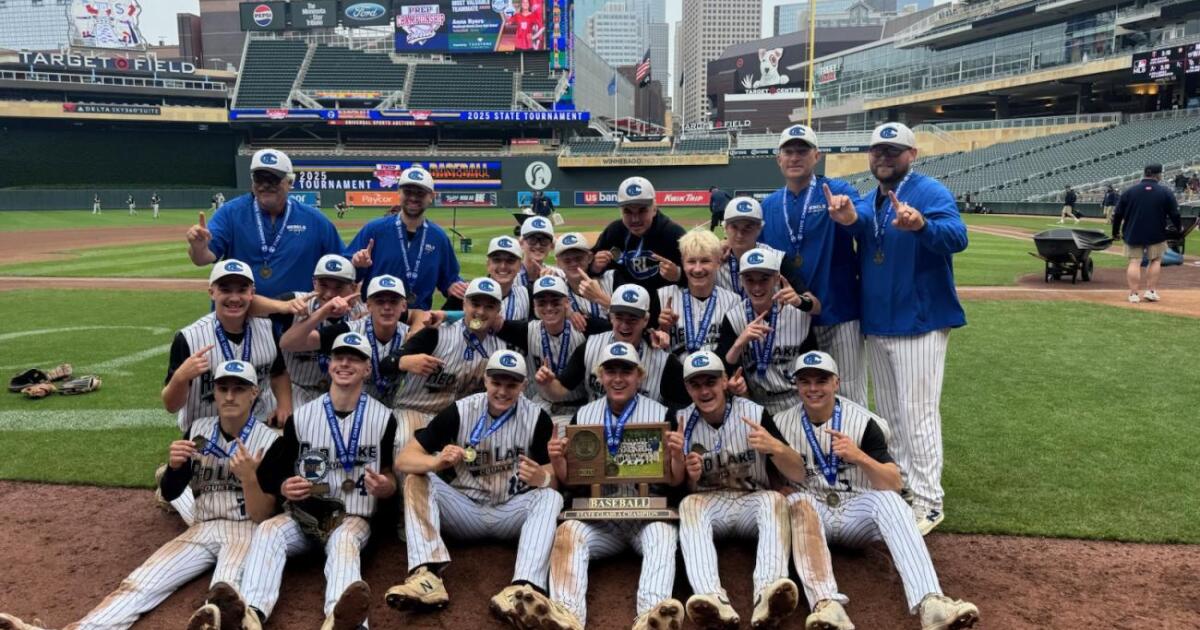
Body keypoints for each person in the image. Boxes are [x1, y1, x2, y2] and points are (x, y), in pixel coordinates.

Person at [0, 360, 280, 630]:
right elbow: (171, 490)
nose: (230, 396)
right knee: (140, 583)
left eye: (239, 388)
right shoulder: (198, 429)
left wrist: (248, 478)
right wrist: (173, 468)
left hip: (244, 530)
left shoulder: (270, 442)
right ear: (214, 392)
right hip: (202, 526)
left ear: (254, 392)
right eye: (223, 388)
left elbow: (265, 515)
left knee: (225, 595)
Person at [824, 121, 967, 535]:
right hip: (880, 323)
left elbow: (957, 237)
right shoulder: (875, 199)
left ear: (912, 155)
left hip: (920, 323)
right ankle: (902, 485)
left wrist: (922, 225)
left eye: (893, 151)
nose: (884, 158)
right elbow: (859, 220)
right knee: (889, 414)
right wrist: (848, 217)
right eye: (878, 152)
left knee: (917, 414)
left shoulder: (929, 192)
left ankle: (928, 500)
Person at [779, 351, 980, 630]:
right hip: (814, 517)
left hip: (857, 512)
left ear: (836, 383)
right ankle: (826, 606)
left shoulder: (863, 422)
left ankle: (931, 603)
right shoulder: (780, 424)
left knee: (891, 502)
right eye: (805, 381)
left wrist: (859, 456)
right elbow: (769, 476)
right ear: (796, 385)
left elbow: (894, 483)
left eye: (821, 380)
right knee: (797, 500)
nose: (813, 388)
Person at [385, 349, 562, 628]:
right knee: (417, 478)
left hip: (510, 510)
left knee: (550, 496)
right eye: (496, 382)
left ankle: (523, 587)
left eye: (511, 384)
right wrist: (436, 461)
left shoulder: (537, 418)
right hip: (465, 510)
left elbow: (553, 475)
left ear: (524, 386)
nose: (502, 391)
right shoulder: (460, 411)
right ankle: (426, 576)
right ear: (485, 380)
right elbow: (405, 459)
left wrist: (542, 476)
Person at [234, 332, 399, 630]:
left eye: (355, 358)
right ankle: (251, 613)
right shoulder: (302, 417)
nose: (345, 363)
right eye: (339, 357)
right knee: (269, 530)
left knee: (344, 540)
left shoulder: (385, 418)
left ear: (367, 369)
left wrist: (387, 487)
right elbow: (274, 471)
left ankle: (342, 619)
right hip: (304, 517)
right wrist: (285, 485)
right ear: (329, 365)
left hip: (353, 516)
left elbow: (389, 472)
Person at [517, 341, 686, 630]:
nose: (618, 378)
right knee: (568, 532)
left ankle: (651, 616)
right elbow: (571, 481)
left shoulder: (661, 414)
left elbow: (675, 481)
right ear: (600, 376)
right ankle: (567, 617)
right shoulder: (584, 415)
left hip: (647, 515)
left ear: (639, 376)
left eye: (626, 371)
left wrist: (677, 456)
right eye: (611, 371)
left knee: (663, 536)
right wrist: (558, 461)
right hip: (600, 518)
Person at [675, 350, 803, 630]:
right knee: (688, 505)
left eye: (710, 382)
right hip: (710, 504)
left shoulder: (754, 413)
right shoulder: (681, 422)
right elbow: (680, 488)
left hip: (751, 502)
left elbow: (798, 471)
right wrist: (689, 477)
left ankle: (768, 593)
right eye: (696, 384)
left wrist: (777, 448)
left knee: (773, 500)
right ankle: (711, 597)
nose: (704, 391)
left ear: (724, 381)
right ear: (687, 388)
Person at [760, 124, 868, 406]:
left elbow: (863, 221)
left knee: (848, 393)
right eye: (789, 151)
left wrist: (850, 215)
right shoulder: (769, 204)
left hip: (838, 314)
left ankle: (852, 450)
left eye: (802, 151)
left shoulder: (837, 192)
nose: (795, 157)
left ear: (816, 156)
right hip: (791, 322)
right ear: (778, 159)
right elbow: (749, 251)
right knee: (801, 397)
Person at [186, 149, 345, 298]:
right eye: (259, 178)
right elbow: (202, 259)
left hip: (297, 319)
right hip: (241, 316)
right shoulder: (230, 213)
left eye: (273, 179)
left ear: (289, 182)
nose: (265, 185)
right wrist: (198, 248)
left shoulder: (315, 220)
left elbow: (342, 267)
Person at [536, 283, 690, 409]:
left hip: (642, 439)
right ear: (610, 317)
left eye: (632, 319)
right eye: (619, 317)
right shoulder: (590, 347)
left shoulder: (663, 360)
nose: (624, 325)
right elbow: (559, 391)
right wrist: (548, 384)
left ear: (645, 320)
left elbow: (690, 398)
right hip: (597, 432)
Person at [386, 277, 508, 430]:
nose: (481, 312)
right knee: (406, 439)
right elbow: (385, 364)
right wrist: (403, 362)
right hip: (414, 410)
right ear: (464, 304)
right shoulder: (436, 332)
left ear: (498, 311)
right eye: (475, 304)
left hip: (461, 418)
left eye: (489, 307)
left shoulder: (501, 346)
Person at [346, 166, 467, 310]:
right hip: (376, 317)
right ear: (399, 192)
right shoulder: (374, 229)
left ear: (431, 197)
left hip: (418, 320)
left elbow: (449, 279)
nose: (414, 198)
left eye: (420, 193)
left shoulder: (438, 238)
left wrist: (455, 286)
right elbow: (345, 272)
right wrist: (356, 264)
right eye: (408, 192)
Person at [280, 274, 413, 406]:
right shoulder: (348, 330)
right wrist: (324, 311)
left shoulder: (412, 335)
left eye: (393, 301)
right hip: (350, 409)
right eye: (380, 301)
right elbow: (287, 343)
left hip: (390, 411)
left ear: (404, 306)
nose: (387, 307)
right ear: (369, 306)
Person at [714, 248, 815, 415]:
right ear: (741, 280)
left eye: (764, 279)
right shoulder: (734, 317)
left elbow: (811, 363)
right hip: (754, 404)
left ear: (776, 278)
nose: (757, 287)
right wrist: (739, 343)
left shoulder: (797, 315)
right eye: (750, 280)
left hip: (796, 401)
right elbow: (723, 367)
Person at [493, 275, 604, 427]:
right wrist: (450, 315)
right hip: (542, 403)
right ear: (534, 306)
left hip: (578, 407)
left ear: (567, 303)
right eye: (542, 303)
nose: (549, 307)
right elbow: (491, 320)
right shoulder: (527, 330)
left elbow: (620, 327)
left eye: (555, 301)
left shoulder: (584, 327)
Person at [276, 254, 367, 408]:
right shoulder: (295, 302)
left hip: (341, 393)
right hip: (296, 390)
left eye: (339, 287)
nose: (330, 294)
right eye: (323, 285)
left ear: (353, 287)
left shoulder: (364, 314)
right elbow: (253, 307)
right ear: (314, 283)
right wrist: (323, 312)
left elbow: (410, 313)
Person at [591, 176, 687, 294]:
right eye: (628, 211)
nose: (635, 219)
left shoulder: (673, 234)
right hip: (624, 308)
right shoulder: (614, 232)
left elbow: (699, 276)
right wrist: (594, 267)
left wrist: (678, 275)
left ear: (654, 208)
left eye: (642, 211)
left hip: (664, 309)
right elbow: (587, 267)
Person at [656, 230, 741, 359]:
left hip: (716, 376)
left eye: (705, 261)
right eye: (691, 261)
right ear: (683, 263)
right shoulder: (662, 296)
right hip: (675, 376)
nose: (697, 269)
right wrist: (661, 329)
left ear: (718, 263)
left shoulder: (733, 301)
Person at [1112, 163, 1181, 304]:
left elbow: (1117, 214)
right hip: (1156, 232)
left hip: (1132, 231)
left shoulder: (1129, 191)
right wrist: (1178, 228)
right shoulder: (1165, 192)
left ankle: (1133, 294)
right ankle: (1150, 291)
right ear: (1158, 175)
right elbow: (1174, 213)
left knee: (1134, 261)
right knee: (1155, 260)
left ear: (1145, 173)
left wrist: (1115, 232)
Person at [444, 236, 533, 321]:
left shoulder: (529, 295)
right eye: (497, 260)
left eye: (510, 261)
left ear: (520, 266)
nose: (503, 266)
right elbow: (440, 325)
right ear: (488, 264)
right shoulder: (465, 292)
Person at [518, 215, 563, 285]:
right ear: (521, 243)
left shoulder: (559, 276)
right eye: (532, 240)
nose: (538, 245)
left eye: (544, 240)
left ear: (551, 246)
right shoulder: (509, 276)